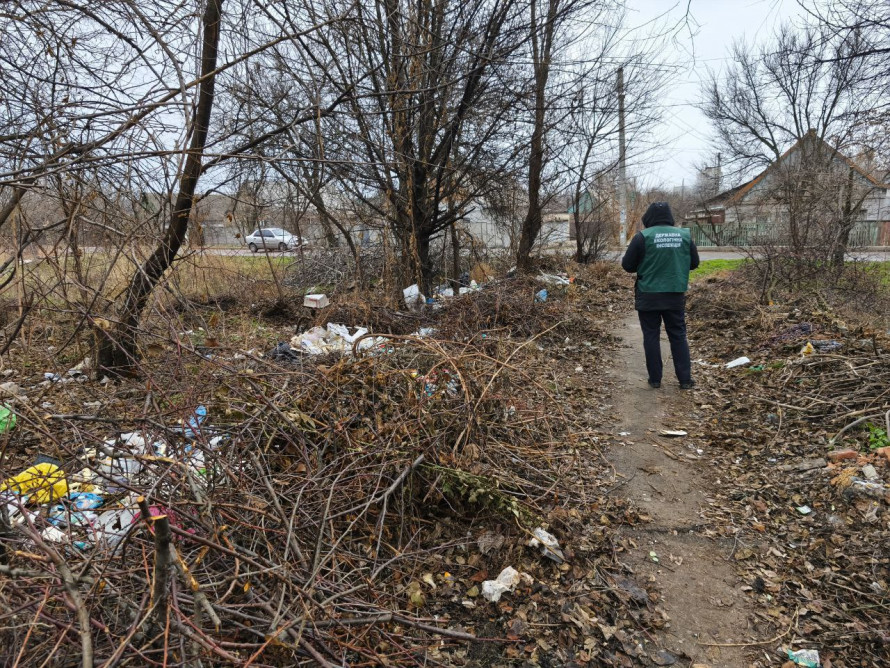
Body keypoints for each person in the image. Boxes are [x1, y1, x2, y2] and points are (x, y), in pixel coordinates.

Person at [621, 201, 699, 389]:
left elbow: (627, 266)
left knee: (651, 336)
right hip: (675, 294)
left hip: (648, 295)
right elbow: (694, 263)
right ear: (669, 217)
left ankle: (655, 379)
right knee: (678, 335)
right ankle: (685, 380)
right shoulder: (685, 236)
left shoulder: (642, 237)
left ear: (648, 218)